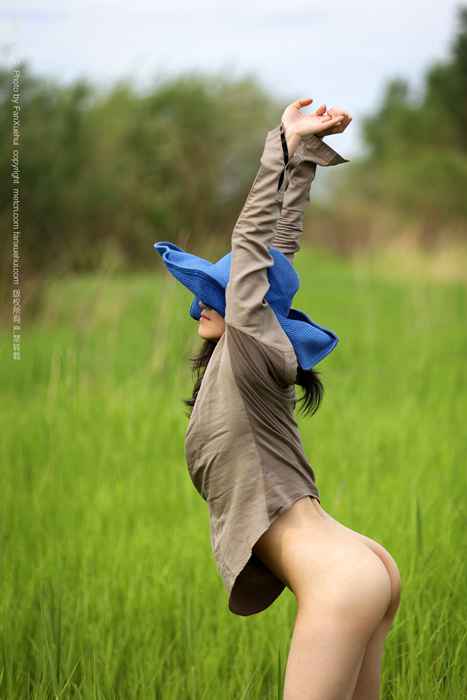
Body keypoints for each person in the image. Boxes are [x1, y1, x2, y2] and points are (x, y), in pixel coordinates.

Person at [154, 98, 402, 700]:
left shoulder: (250, 347)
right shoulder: (250, 368)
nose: (201, 304)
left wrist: (280, 146)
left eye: (219, 291)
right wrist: (304, 160)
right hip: (358, 561)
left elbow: (255, 244)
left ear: (250, 304)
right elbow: (276, 249)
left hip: (338, 576)